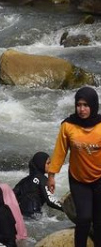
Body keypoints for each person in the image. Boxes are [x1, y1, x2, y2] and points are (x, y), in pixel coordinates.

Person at [48, 86, 101, 247]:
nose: (82, 109)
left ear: (93, 105)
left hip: (100, 179)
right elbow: (59, 151)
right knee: (84, 218)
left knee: (99, 220)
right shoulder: (68, 125)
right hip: (78, 180)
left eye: (85, 105)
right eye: (79, 105)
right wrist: (51, 176)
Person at [13, 151, 63, 219]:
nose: (50, 165)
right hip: (35, 215)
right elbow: (50, 201)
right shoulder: (43, 179)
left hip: (22, 215)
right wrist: (65, 208)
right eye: (48, 163)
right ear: (41, 164)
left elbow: (12, 197)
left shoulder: (24, 181)